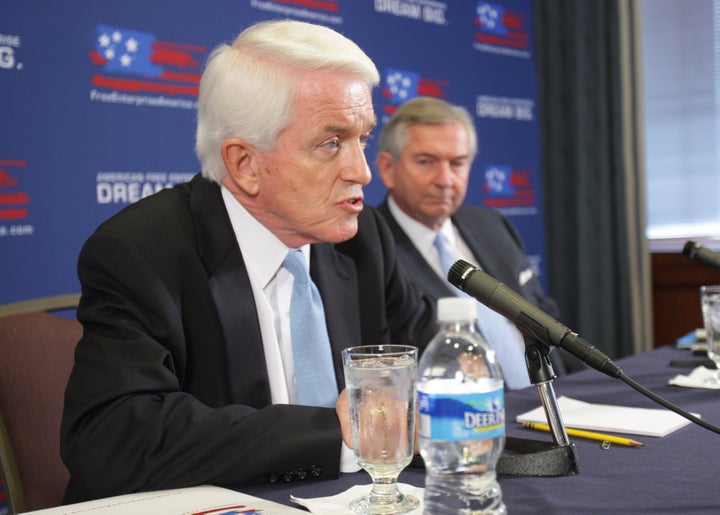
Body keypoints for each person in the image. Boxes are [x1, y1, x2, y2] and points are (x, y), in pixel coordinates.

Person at [60, 20, 436, 503]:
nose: (361, 172)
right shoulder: (142, 253)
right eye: (331, 143)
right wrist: (340, 435)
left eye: (362, 139)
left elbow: (434, 363)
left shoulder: (362, 238)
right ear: (245, 164)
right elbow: (112, 440)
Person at [375, 96, 568, 389]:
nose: (445, 180)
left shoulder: (492, 225)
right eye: (426, 162)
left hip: (554, 396)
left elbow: (542, 314)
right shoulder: (370, 247)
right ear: (388, 168)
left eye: (457, 163)